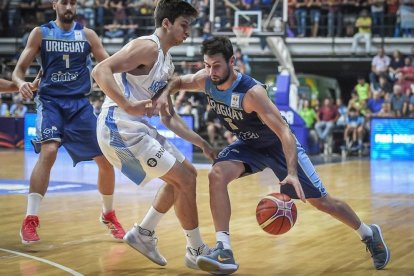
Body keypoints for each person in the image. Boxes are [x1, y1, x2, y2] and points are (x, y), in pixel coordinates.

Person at [161, 36, 390, 274]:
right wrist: (164, 91)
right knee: (216, 174)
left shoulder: (252, 92)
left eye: (216, 65)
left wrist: (291, 173)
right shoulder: (206, 79)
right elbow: (179, 82)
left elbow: (284, 132)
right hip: (249, 146)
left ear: (232, 61)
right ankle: (224, 249)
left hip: (278, 146)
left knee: (321, 201)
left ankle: (368, 233)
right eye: (207, 65)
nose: (211, 71)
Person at [91, 0, 215, 269]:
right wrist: (126, 104)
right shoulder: (147, 46)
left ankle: (143, 233)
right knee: (184, 181)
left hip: (137, 129)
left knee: (188, 174)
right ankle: (196, 250)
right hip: (118, 125)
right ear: (166, 23)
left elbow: (167, 116)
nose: (188, 32)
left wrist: (203, 142)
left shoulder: (166, 63)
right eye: (184, 25)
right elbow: (100, 70)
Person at [12, 0, 126, 244]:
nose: (69, 7)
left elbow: (108, 66)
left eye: (73, 3)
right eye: (65, 2)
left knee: (105, 159)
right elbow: (19, 70)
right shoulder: (40, 33)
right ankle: (30, 219)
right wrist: (21, 83)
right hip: (51, 102)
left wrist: (129, 78)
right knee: (49, 151)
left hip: (79, 104)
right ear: (55, 4)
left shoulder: (88, 35)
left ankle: (108, 214)